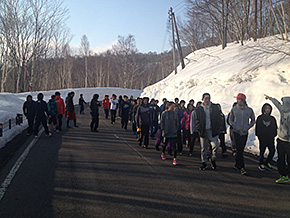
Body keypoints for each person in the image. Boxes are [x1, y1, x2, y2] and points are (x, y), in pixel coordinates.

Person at [265, 95, 290, 183]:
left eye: (284, 103)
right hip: (280, 139)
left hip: (288, 141)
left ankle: (287, 175)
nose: (282, 105)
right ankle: (283, 174)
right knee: (280, 158)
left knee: (288, 159)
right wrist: (271, 98)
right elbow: (277, 104)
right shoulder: (282, 111)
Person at [229, 93, 255, 175]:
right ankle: (242, 167)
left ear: (243, 100)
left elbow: (253, 120)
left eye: (239, 99)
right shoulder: (234, 109)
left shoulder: (249, 110)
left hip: (244, 132)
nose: (237, 101)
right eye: (237, 99)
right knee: (239, 149)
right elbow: (230, 120)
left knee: (240, 149)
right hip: (236, 132)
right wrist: (234, 127)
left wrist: (247, 127)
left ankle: (237, 164)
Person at [195, 93, 222, 170]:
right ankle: (204, 162)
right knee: (203, 148)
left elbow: (219, 118)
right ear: (202, 99)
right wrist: (199, 129)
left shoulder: (214, 107)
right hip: (203, 130)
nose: (207, 100)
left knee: (215, 146)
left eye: (208, 98)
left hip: (212, 130)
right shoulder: (199, 109)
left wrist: (218, 127)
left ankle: (213, 158)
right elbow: (197, 120)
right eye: (205, 98)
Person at [255, 103, 277, 171]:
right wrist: (259, 136)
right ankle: (261, 163)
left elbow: (275, 127)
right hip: (263, 138)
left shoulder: (272, 118)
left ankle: (267, 162)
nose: (267, 110)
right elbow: (257, 128)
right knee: (262, 151)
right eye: (266, 108)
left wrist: (274, 134)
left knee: (272, 151)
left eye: (269, 109)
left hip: (270, 138)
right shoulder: (260, 118)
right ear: (263, 109)